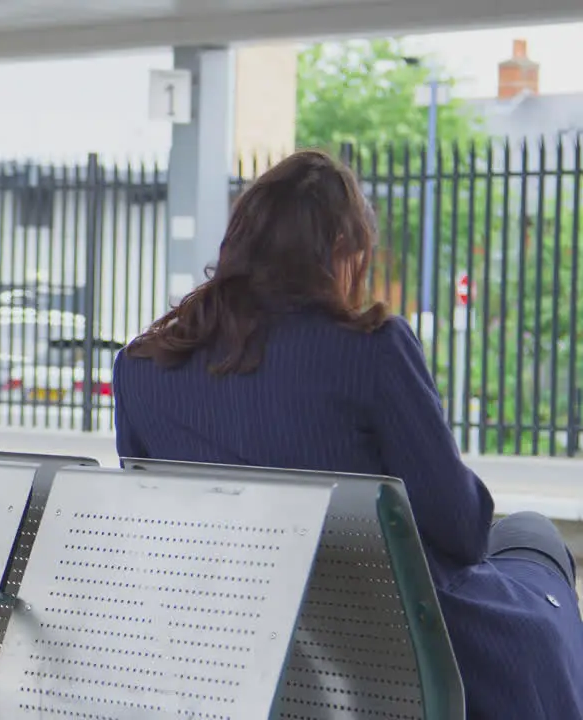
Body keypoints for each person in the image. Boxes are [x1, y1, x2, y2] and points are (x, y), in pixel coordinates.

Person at [112, 149, 583, 718]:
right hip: (404, 647)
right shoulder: (371, 349)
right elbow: (460, 529)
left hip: (236, 651)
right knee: (533, 535)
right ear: (339, 251)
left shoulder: (141, 369)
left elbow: (158, 535)